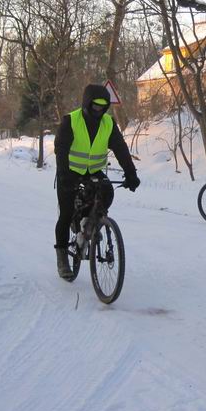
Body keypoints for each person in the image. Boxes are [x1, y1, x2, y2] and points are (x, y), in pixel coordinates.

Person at [53, 84, 140, 281]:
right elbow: (61, 149)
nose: (98, 111)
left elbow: (120, 149)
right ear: (86, 104)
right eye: (95, 106)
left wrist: (131, 173)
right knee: (66, 214)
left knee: (107, 192)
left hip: (93, 171)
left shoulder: (108, 123)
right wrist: (64, 176)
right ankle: (62, 257)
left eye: (103, 107)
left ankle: (91, 223)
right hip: (70, 172)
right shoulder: (71, 121)